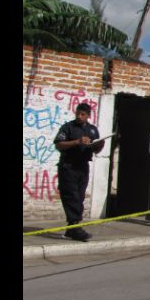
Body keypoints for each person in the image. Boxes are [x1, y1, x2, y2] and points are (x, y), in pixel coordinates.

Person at [53, 103, 105, 242]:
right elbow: (59, 144)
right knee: (72, 197)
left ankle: (71, 229)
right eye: (78, 113)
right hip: (68, 167)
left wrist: (99, 145)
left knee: (80, 197)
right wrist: (76, 141)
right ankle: (75, 228)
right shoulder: (68, 127)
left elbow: (96, 150)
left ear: (88, 115)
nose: (79, 116)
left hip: (83, 167)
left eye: (83, 114)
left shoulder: (92, 130)